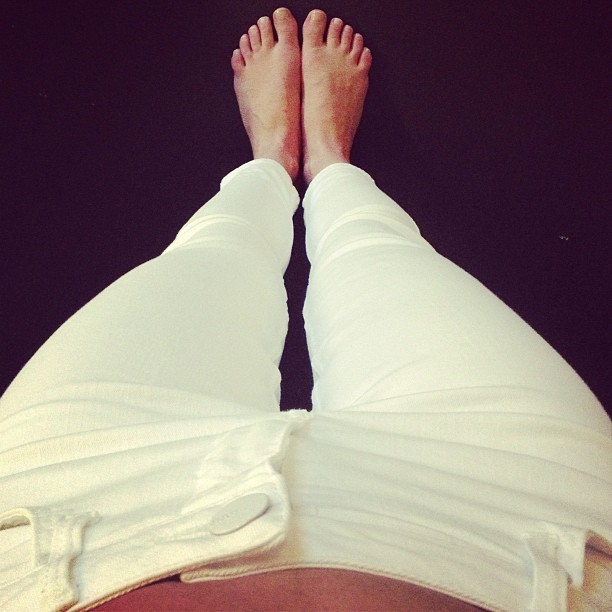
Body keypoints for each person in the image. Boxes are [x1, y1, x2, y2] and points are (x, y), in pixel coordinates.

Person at [1, 7, 610, 612]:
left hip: (67, 522)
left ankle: (276, 162)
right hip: (519, 533)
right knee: (375, 244)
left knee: (220, 247)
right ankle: (328, 166)